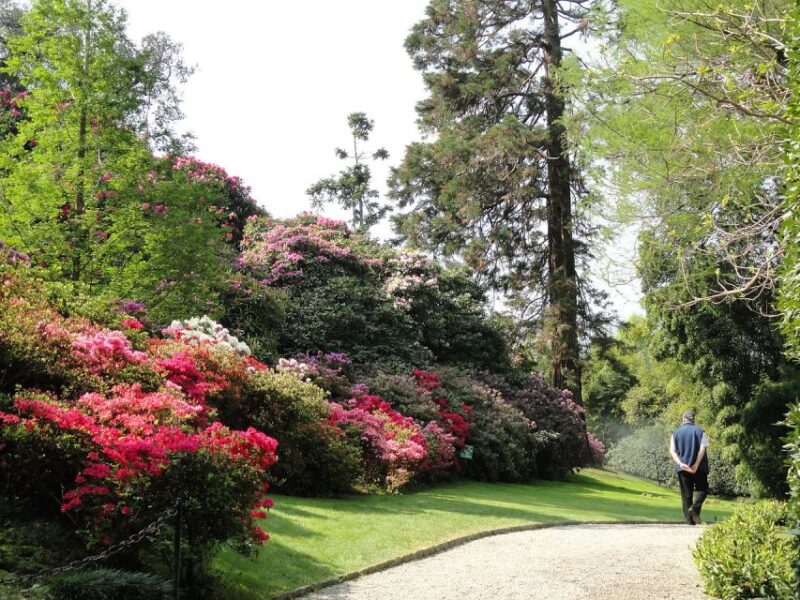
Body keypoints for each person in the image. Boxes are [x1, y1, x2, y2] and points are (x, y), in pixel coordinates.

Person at [669, 410, 709, 525]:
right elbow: (702, 449)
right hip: (699, 468)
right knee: (703, 490)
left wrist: (680, 463)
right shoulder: (701, 432)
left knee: (686, 494)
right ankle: (695, 509)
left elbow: (672, 451)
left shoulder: (675, 433)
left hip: (683, 468)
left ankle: (690, 522)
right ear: (693, 419)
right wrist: (696, 464)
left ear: (683, 419)